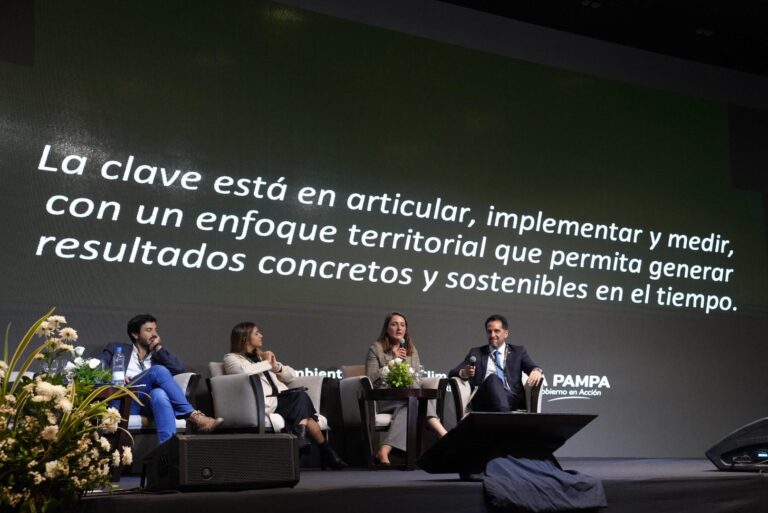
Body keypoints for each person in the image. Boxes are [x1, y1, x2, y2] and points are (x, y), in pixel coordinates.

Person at [223, 322, 347, 470]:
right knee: (301, 399)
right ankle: (327, 452)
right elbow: (243, 373)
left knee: (302, 404)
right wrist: (267, 363)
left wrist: (276, 366)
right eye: (257, 333)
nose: (261, 335)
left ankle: (306, 439)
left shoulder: (260, 357)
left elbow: (292, 376)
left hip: (281, 398)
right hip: (263, 402)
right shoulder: (231, 358)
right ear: (244, 338)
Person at [99, 314, 223, 444]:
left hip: (148, 404)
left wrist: (158, 348)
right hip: (124, 401)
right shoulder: (116, 349)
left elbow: (179, 369)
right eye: (148, 330)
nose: (154, 334)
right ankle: (193, 416)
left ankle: (168, 451)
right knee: (158, 370)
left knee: (159, 394)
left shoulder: (157, 356)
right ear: (135, 334)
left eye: (155, 330)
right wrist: (116, 377)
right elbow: (98, 371)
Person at [365, 312, 448, 465]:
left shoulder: (411, 350)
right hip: (384, 399)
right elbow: (371, 379)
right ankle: (443, 434)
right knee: (414, 403)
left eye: (402, 325)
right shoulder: (376, 349)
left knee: (411, 405)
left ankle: (383, 451)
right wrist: (394, 360)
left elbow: (416, 377)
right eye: (394, 324)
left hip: (406, 400)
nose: (399, 328)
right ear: (386, 328)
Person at [449, 314, 543, 412]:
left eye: (496, 331)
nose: (492, 335)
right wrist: (464, 373)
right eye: (489, 331)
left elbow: (532, 367)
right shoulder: (476, 353)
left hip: (511, 398)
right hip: (484, 398)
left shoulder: (518, 352)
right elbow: (452, 373)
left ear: (506, 333)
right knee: (493, 378)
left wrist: (536, 371)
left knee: (501, 393)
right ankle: (505, 417)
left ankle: (502, 415)